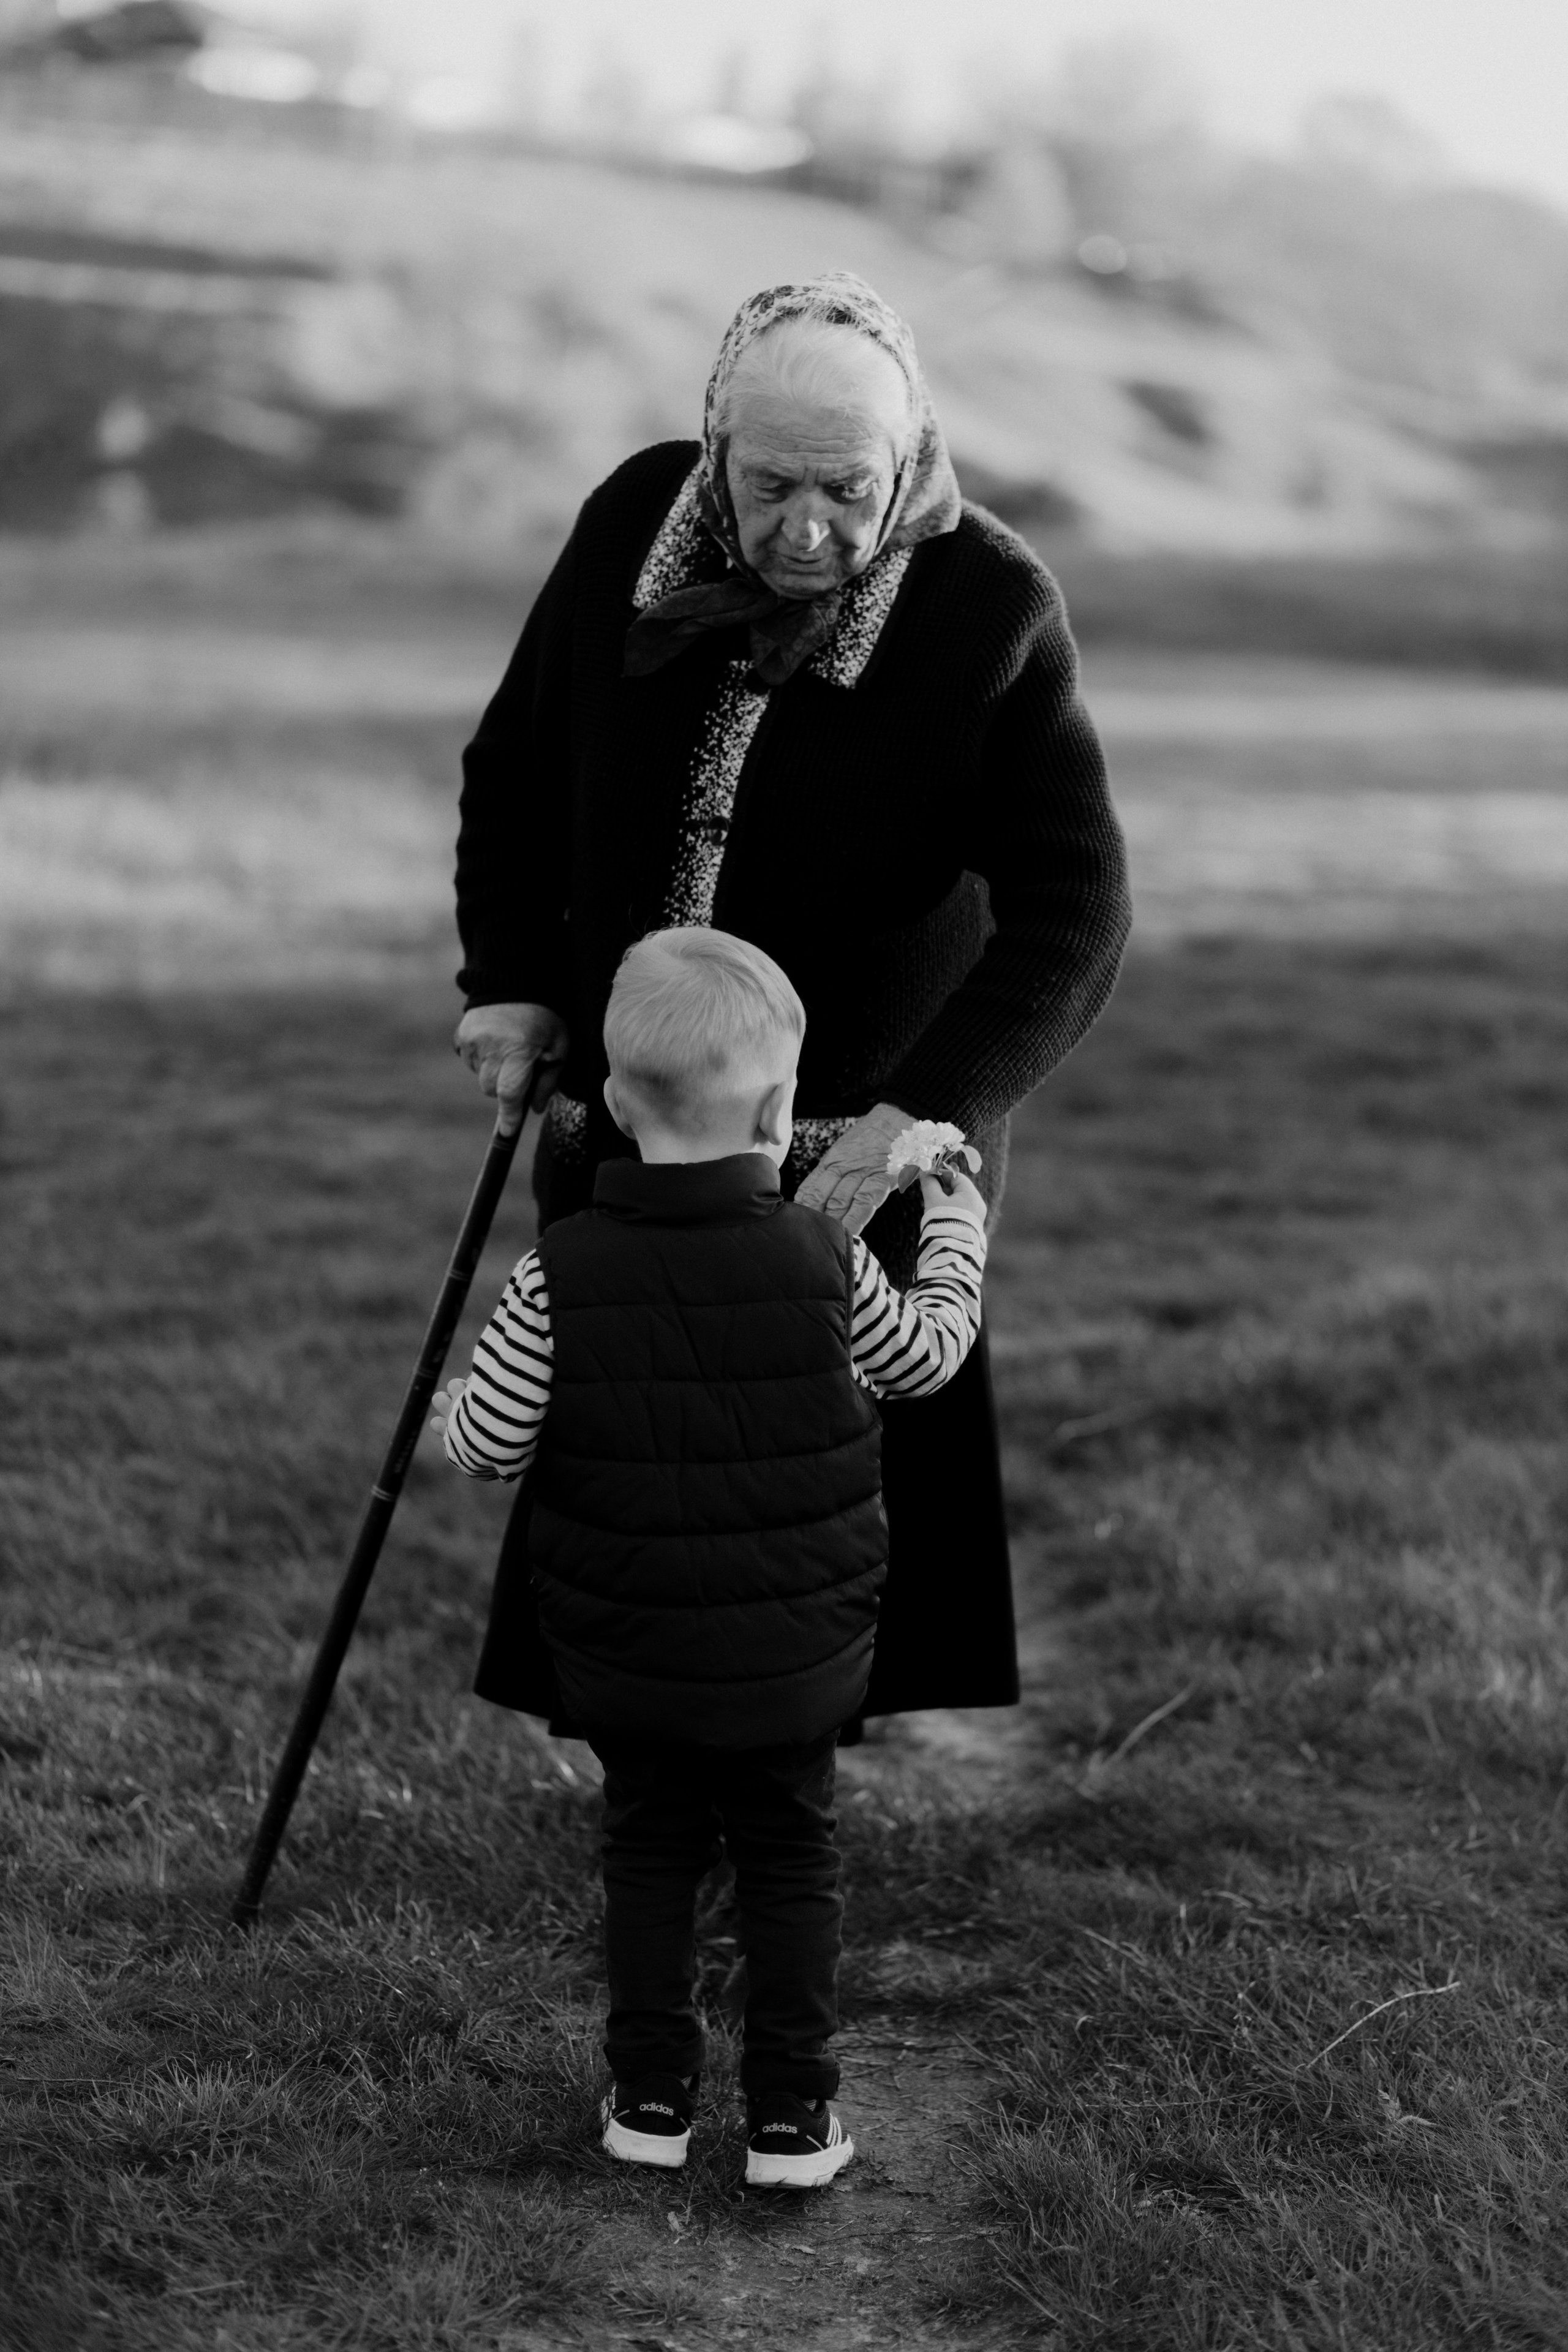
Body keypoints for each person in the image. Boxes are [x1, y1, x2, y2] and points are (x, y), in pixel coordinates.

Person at [453, 270, 1130, 1737]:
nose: (809, 526)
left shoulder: (990, 604)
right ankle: (629, 1727)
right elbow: (513, 767)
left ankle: (807, 1771)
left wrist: (920, 1122)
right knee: (633, 1442)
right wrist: (507, 983)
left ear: (913, 457)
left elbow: (1076, 910)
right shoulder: (629, 521)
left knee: (838, 1471)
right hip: (632, 1113)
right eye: (769, 485)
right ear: (713, 445)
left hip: (859, 1141)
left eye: (848, 485)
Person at [432, 928, 987, 2186]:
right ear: (785, 1108)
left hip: (624, 1644)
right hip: (797, 1644)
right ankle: (793, 2117)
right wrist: (955, 1237)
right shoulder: (827, 1256)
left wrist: (452, 1396)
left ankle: (649, 2105)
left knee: (649, 1850)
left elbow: (489, 1445)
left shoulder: (552, 1277)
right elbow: (924, 1361)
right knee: (791, 1858)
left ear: (618, 1107)